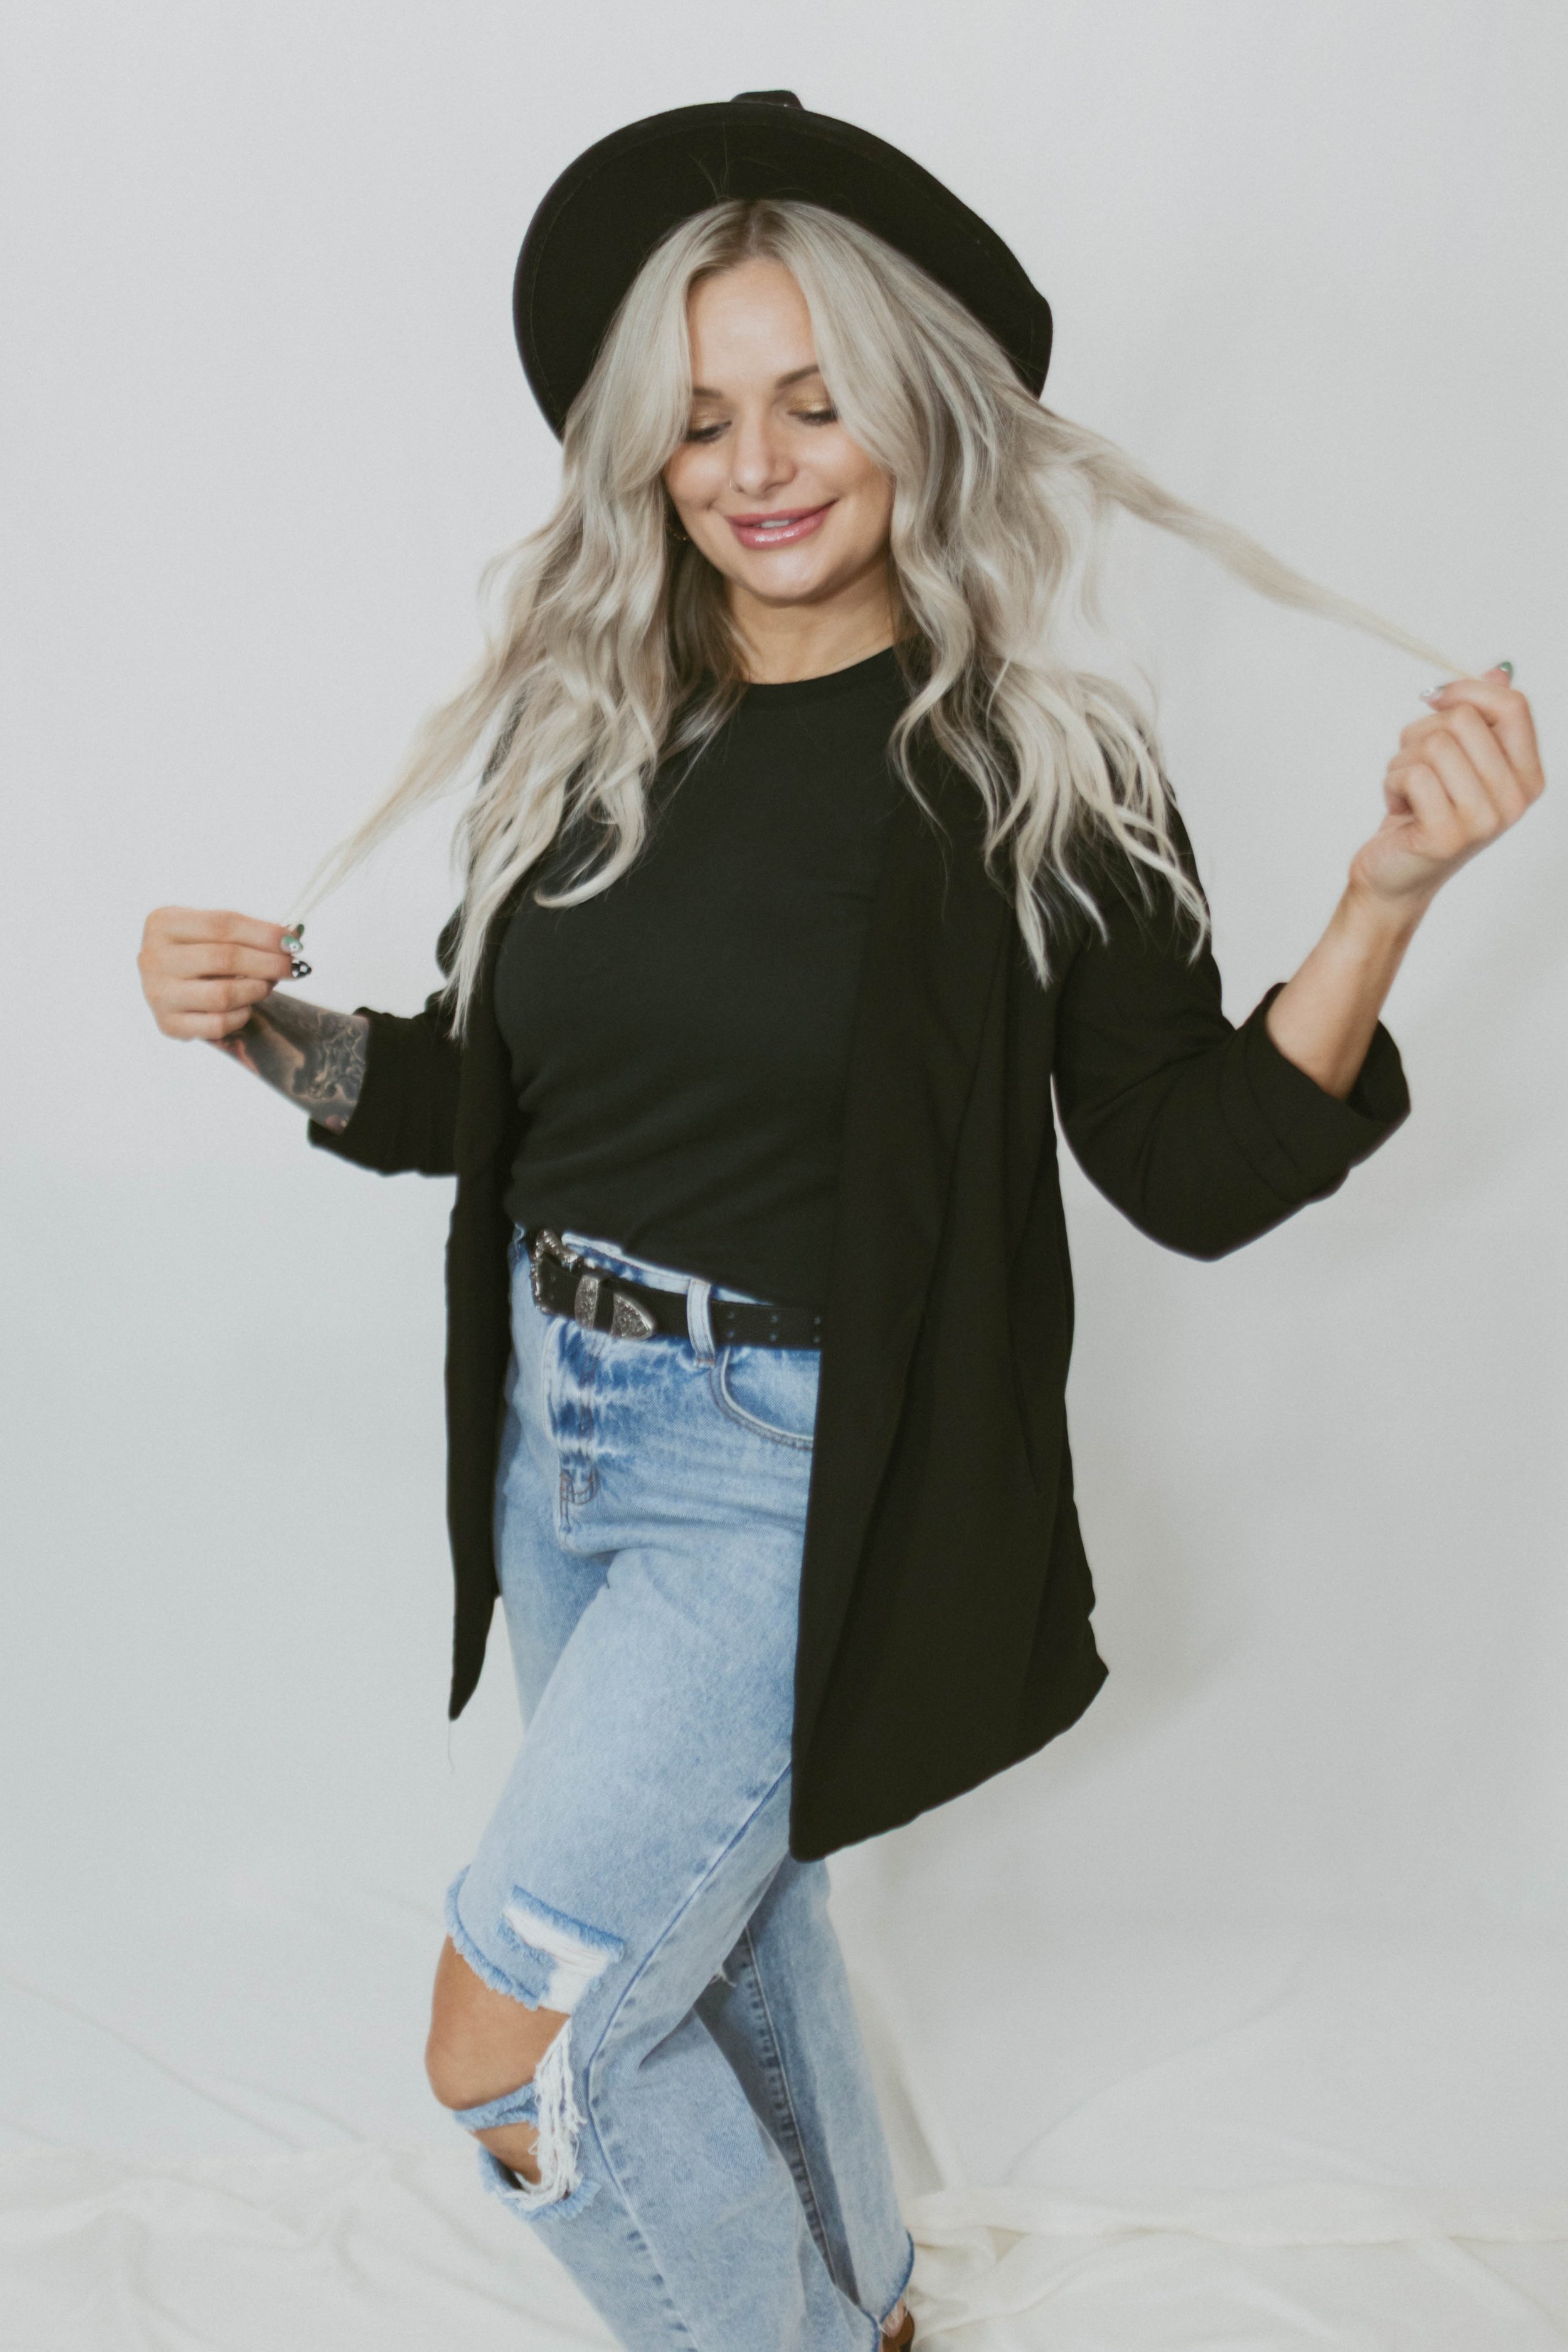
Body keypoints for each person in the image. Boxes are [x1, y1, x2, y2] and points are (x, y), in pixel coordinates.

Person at [136, 92, 1544, 2352]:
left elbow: (1187, 1170)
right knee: (727, 1942)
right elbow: (489, 1106)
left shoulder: (1028, 768)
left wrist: (1381, 900)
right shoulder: (589, 732)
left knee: (514, 2044)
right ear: (643, 455)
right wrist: (266, 1035)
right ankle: (866, 2309)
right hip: (560, 1444)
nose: (759, 465)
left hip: (786, 1477)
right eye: (702, 421)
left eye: (813, 401)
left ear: (911, 414)